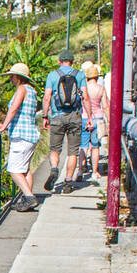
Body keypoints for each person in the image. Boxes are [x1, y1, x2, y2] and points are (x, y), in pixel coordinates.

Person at [41, 50, 95, 193]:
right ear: (73, 62)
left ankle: (54, 169)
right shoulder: (80, 75)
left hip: (57, 116)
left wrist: (45, 116)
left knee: (55, 149)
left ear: (59, 61)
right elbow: (85, 97)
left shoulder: (52, 75)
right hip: (75, 116)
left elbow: (47, 97)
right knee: (73, 152)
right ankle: (68, 183)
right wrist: (89, 117)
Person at [0, 62, 40, 211]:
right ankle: (26, 200)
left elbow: (14, 108)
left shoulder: (21, 89)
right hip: (31, 134)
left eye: (12, 76)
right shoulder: (32, 90)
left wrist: (4, 125)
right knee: (24, 169)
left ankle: (29, 197)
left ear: (18, 77)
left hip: (21, 134)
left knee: (14, 169)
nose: (11, 79)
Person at [78, 63, 108, 184]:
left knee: (83, 145)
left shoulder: (83, 89)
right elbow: (105, 106)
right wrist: (109, 121)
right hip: (98, 119)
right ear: (97, 76)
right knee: (95, 146)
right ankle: (95, 172)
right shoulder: (101, 89)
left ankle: (80, 170)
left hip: (85, 118)